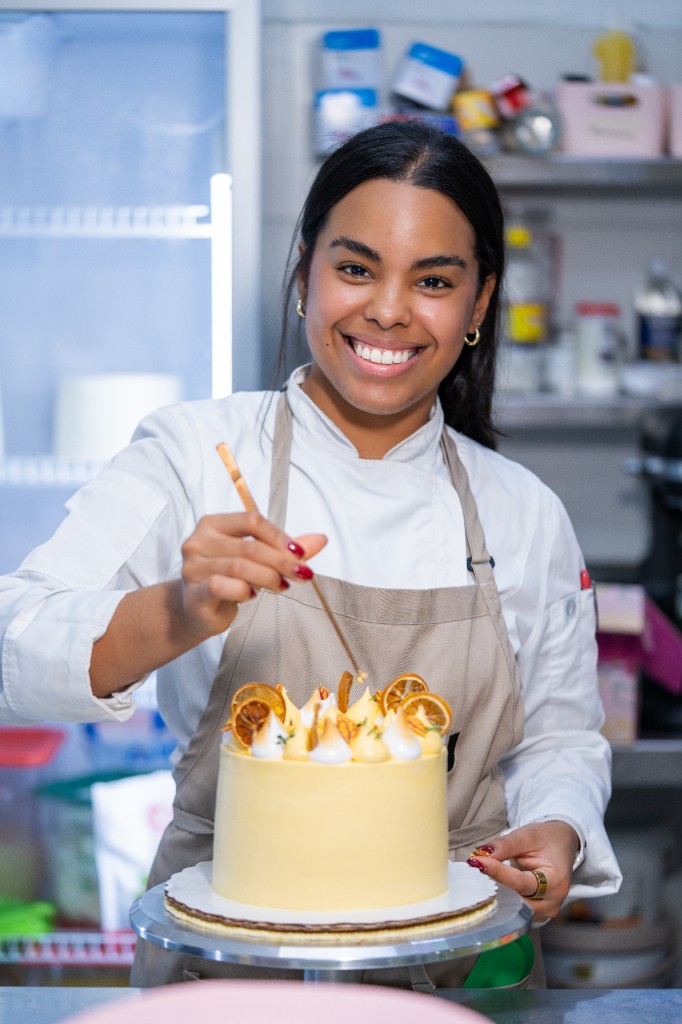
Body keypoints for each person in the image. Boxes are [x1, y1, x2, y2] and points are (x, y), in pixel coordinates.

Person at [0, 120, 620, 988]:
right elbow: (15, 646)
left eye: (433, 281)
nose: (389, 309)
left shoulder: (524, 513)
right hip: (228, 950)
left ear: (479, 306)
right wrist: (178, 609)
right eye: (355, 268)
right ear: (303, 274)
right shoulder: (193, 453)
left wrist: (559, 826)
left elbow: (560, 736)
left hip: (465, 948)